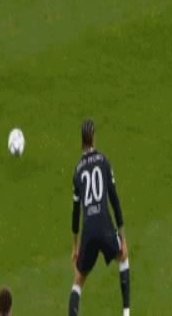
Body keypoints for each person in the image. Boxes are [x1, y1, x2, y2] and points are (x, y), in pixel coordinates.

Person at [68, 119, 130, 316]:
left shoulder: (77, 171)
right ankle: (126, 312)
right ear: (93, 137)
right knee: (123, 257)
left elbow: (75, 213)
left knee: (78, 281)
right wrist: (123, 236)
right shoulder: (103, 161)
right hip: (105, 227)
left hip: (88, 231)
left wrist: (75, 246)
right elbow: (114, 199)